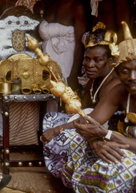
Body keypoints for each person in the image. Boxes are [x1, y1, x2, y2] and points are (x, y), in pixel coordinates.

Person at [59, 21, 136, 193]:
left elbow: (105, 132)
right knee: (79, 142)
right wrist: (96, 141)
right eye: (125, 71)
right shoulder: (120, 92)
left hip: (129, 148)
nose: (132, 77)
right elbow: (86, 123)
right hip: (123, 144)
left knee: (114, 164)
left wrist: (106, 135)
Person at [41, 22, 120, 178]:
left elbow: (93, 120)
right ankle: (64, 171)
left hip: (102, 130)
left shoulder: (115, 84)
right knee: (50, 118)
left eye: (97, 60)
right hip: (89, 122)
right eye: (87, 59)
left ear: (111, 61)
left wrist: (59, 129)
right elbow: (83, 109)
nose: (90, 65)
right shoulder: (94, 79)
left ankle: (74, 175)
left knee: (63, 134)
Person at [38, 0, 88, 92]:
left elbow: (80, 44)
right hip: (47, 60)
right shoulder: (47, 5)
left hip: (68, 60)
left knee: (65, 96)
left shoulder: (76, 5)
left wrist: (74, 74)